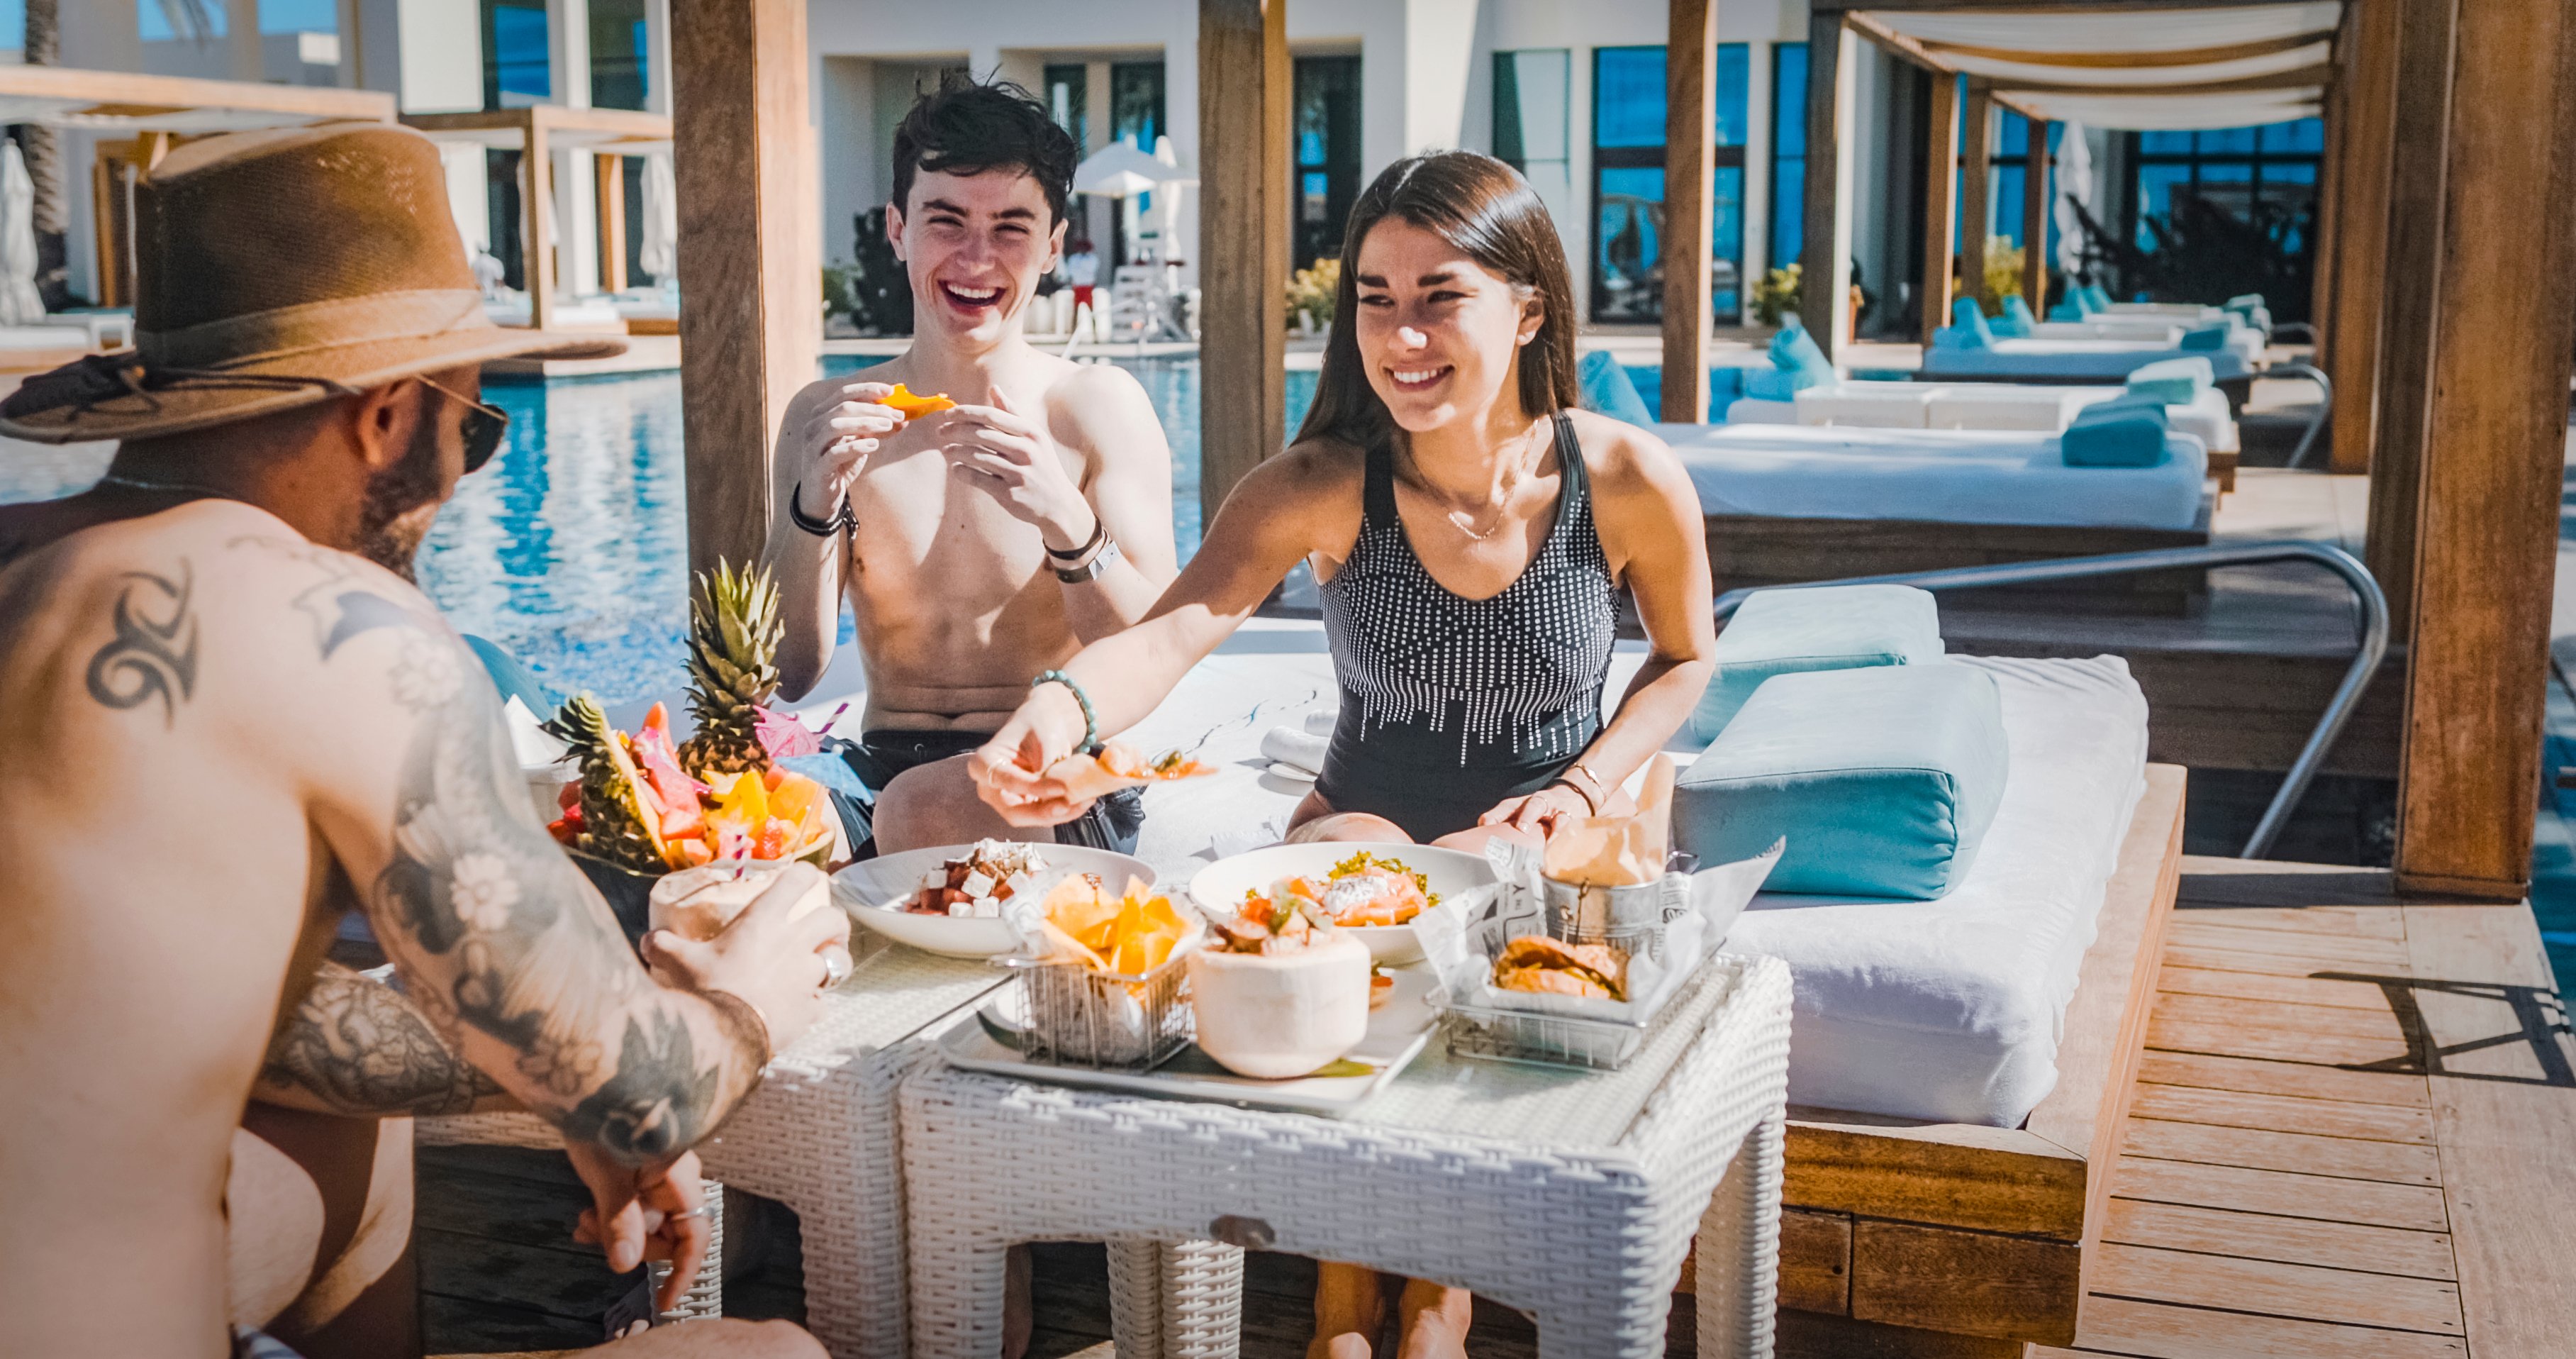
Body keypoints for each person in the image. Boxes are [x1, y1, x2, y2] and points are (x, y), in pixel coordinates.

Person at [0, 123, 842, 1359]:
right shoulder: (332, 624)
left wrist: (549, 1075)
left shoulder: (26, 559)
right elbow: (651, 1089)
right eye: (473, 430)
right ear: (389, 416)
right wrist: (744, 1007)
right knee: (774, 1356)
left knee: (348, 1136)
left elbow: (256, 1023)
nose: (459, 481)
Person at [968, 151, 1717, 1357]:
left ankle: (1406, 1304)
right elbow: (1168, 633)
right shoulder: (1319, 486)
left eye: (1439, 296)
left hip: (1553, 816)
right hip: (1367, 812)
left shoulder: (1621, 477)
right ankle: (1359, 1298)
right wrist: (1057, 710)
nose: (1400, 333)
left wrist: (1584, 784)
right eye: (1374, 297)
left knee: (1474, 891)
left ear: (1526, 309)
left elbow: (1685, 659)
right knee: (1343, 908)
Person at [761, 75, 1177, 860]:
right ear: (898, 228)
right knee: (748, 824)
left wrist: (1067, 520)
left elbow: (1154, 652)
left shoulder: (1094, 408)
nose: (977, 258)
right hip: (872, 772)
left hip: (1051, 773)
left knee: (926, 806)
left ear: (1055, 244)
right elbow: (790, 673)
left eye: (1011, 228)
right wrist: (814, 505)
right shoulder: (827, 415)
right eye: (945, 221)